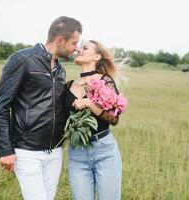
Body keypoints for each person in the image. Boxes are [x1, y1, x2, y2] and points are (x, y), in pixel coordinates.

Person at [0, 16, 82, 200]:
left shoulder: (60, 70)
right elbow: (1, 107)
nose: (76, 49)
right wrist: (5, 150)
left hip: (55, 152)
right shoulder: (22, 59)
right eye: (74, 43)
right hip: (27, 151)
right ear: (60, 40)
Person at [64, 40, 123, 200]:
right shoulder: (69, 86)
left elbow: (114, 119)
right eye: (79, 47)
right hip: (77, 153)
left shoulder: (105, 81)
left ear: (97, 56)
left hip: (104, 150)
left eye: (85, 48)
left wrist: (90, 103)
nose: (79, 50)